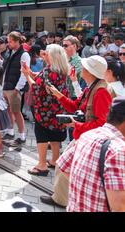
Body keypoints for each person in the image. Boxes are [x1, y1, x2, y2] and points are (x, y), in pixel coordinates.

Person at [42, 55, 113, 208]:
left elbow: (102, 123)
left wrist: (77, 125)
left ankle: (62, 200)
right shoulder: (92, 87)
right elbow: (75, 107)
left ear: (89, 71)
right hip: (84, 137)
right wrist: (58, 94)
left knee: (63, 166)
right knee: (64, 166)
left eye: (84, 67)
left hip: (88, 139)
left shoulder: (101, 91)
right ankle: (64, 198)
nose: (81, 69)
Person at [56, 96, 125, 212]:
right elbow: (119, 206)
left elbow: (63, 165)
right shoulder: (118, 150)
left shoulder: (87, 136)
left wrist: (89, 188)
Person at [21, 44, 70, 176]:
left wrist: (26, 75)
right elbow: (42, 79)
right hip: (58, 108)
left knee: (42, 135)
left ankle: (42, 165)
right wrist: (32, 72)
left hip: (44, 110)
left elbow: (37, 87)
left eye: (47, 53)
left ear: (52, 56)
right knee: (55, 135)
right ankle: (54, 160)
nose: (44, 55)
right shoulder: (61, 69)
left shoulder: (48, 70)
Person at [0, 31, 29, 146]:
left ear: (16, 41)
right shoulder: (10, 52)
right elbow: (3, 68)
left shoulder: (24, 54)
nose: (8, 43)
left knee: (16, 112)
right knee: (9, 111)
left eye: (10, 41)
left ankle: (22, 136)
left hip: (14, 88)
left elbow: (24, 73)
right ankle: (10, 132)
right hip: (6, 86)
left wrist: (17, 88)